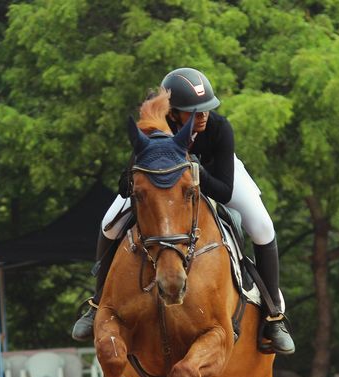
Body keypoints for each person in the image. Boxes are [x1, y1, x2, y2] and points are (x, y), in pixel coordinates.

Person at [72, 67, 294, 355]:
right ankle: (97, 303)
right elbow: (125, 186)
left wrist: (193, 170)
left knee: (263, 226)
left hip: (217, 175)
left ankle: (274, 316)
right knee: (108, 225)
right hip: (163, 186)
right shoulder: (157, 126)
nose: (202, 117)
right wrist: (138, 170)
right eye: (194, 112)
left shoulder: (219, 128)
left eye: (206, 110)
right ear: (174, 112)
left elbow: (225, 191)